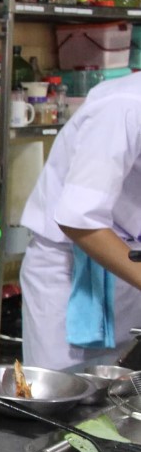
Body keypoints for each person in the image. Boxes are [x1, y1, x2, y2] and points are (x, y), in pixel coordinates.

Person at [20, 70, 141, 371]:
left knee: (118, 398)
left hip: (128, 270)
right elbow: (79, 219)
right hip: (69, 273)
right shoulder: (123, 106)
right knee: (64, 397)